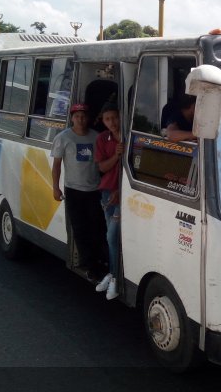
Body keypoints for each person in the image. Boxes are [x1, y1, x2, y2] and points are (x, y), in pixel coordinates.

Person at [51, 103, 103, 281]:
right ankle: (89, 265)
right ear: (72, 118)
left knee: (96, 228)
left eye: (83, 116)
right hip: (73, 190)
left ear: (88, 118)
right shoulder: (63, 138)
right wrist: (55, 188)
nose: (80, 119)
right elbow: (56, 165)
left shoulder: (96, 137)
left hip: (95, 189)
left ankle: (96, 261)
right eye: (77, 116)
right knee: (80, 229)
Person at [94, 102, 123, 300]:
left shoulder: (129, 135)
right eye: (107, 119)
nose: (111, 122)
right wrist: (116, 155)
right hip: (106, 193)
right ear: (103, 121)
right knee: (110, 236)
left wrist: (121, 191)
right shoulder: (102, 138)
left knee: (112, 237)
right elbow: (102, 167)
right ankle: (113, 274)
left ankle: (115, 277)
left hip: (123, 195)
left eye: (114, 117)